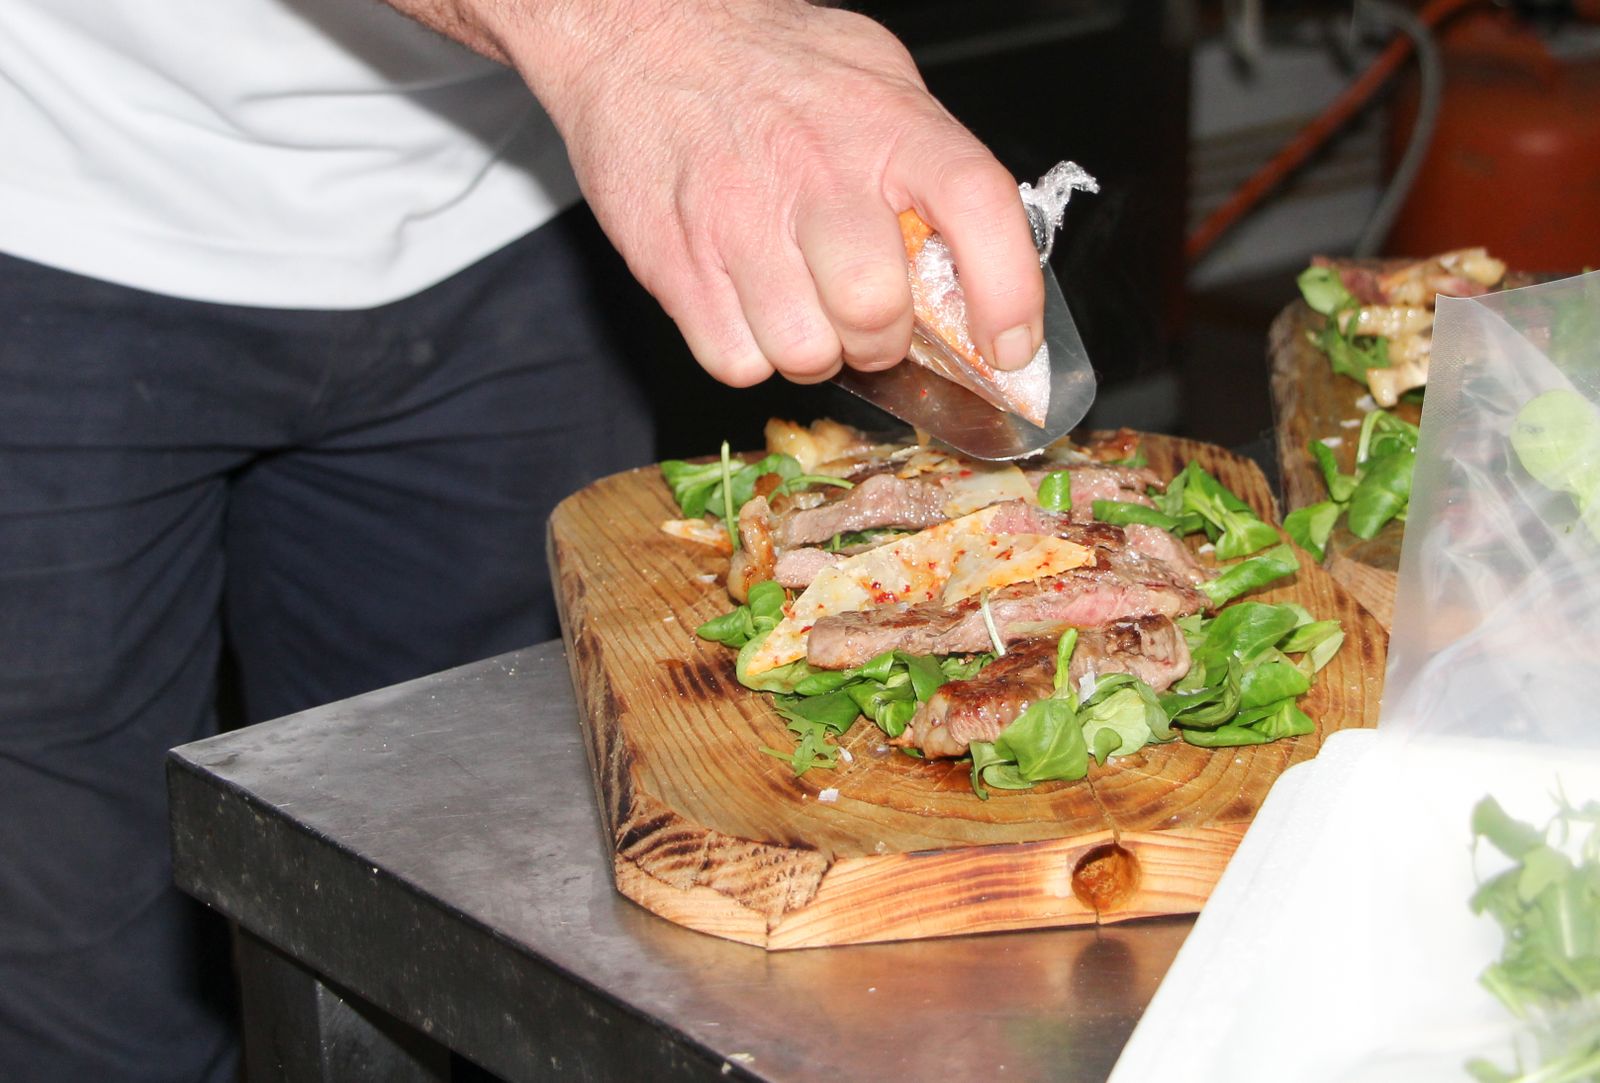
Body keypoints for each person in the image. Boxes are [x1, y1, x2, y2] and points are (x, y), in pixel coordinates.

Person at [0, 0, 1047, 1078]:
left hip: (513, 203)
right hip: (54, 190)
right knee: (77, 977)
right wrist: (641, 39)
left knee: (463, 914)